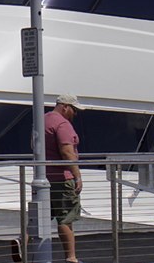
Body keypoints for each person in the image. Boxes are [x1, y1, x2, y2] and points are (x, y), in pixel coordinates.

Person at [45, 94, 84, 263]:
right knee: (66, 218)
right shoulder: (62, 124)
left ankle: (21, 240)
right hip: (62, 178)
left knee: (40, 217)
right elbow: (67, 152)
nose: (75, 114)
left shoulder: (43, 120)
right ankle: (71, 258)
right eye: (74, 110)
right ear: (65, 107)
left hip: (44, 177)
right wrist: (77, 176)